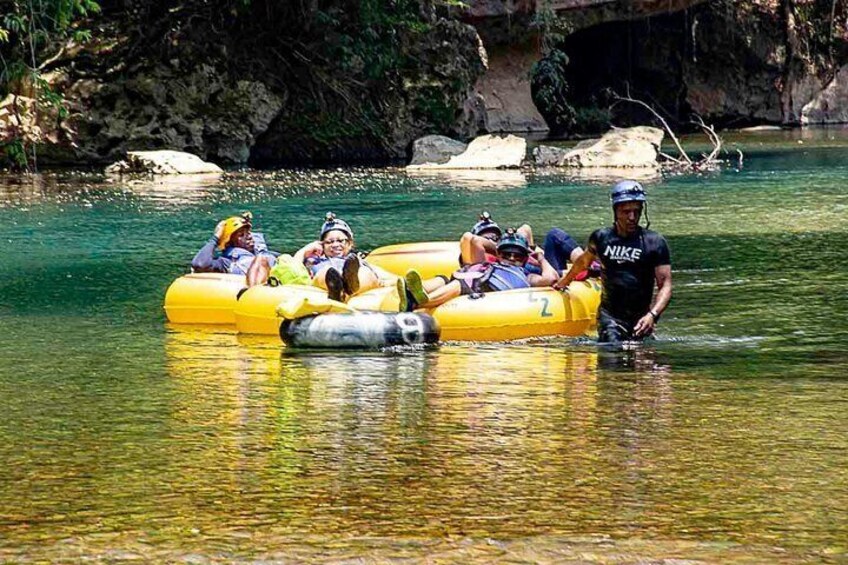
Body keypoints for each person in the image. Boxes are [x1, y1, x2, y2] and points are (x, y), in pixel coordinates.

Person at [554, 180, 672, 343]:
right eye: (626, 212)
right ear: (616, 211)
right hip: (610, 317)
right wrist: (564, 281)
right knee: (613, 356)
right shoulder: (601, 238)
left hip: (641, 319)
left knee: (642, 367)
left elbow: (665, 285)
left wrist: (652, 315)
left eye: (636, 212)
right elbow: (583, 262)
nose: (632, 217)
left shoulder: (655, 242)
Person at [405, 228, 559, 309]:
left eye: (517, 255)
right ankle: (412, 291)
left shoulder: (527, 275)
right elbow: (477, 241)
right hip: (475, 280)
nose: (512, 258)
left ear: (525, 258)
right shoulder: (490, 263)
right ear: (499, 254)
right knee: (444, 279)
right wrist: (498, 248)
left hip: (482, 288)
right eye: (507, 254)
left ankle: (419, 303)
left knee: (460, 284)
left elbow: (551, 278)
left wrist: (540, 258)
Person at [191, 211, 278, 282]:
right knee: (261, 259)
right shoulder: (226, 263)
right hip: (257, 291)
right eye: (241, 235)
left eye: (248, 233)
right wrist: (215, 238)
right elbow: (199, 264)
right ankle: (255, 291)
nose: (249, 236)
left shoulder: (264, 254)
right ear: (229, 243)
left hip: (280, 285)